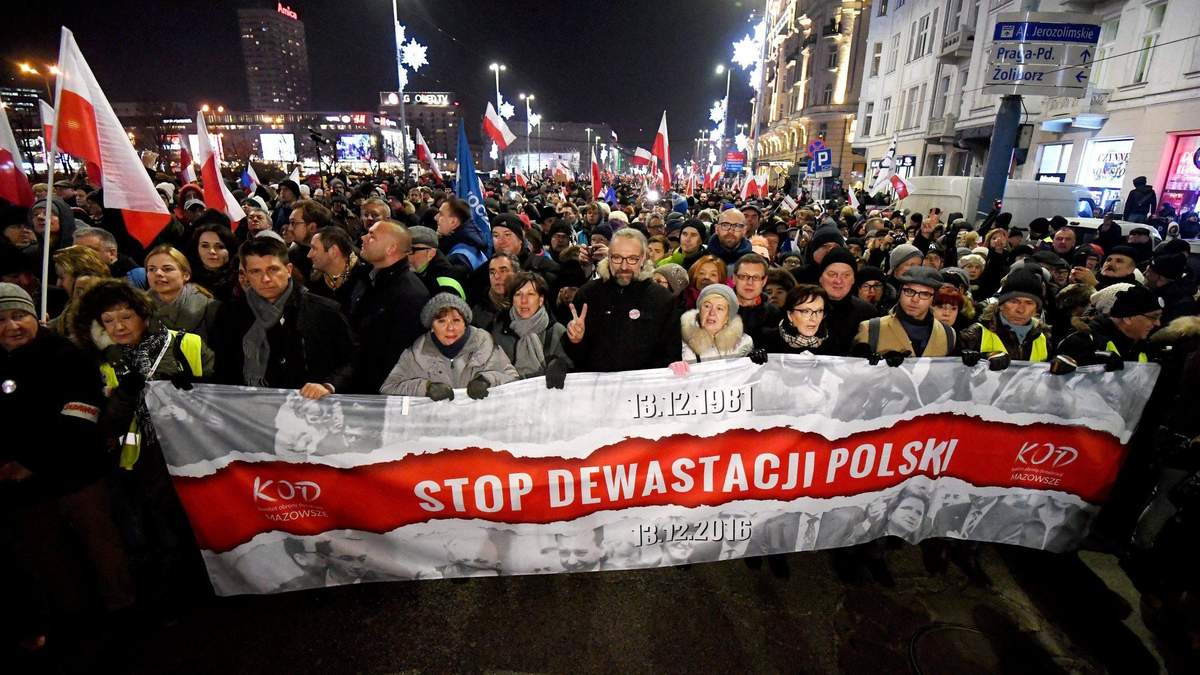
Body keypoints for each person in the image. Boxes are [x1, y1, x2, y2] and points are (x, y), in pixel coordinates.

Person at [0, 283, 135, 640]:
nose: (12, 326)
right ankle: (73, 621)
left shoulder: (65, 355)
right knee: (48, 556)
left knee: (102, 547)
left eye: (19, 315)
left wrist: (32, 461)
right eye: (1, 319)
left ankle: (124, 616)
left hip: (77, 474)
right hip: (24, 490)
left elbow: (81, 414)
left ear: (34, 316)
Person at [211, 236, 355, 397]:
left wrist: (328, 385)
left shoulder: (325, 311)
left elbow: (352, 360)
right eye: (255, 271)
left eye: (273, 269)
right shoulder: (230, 314)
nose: (265, 279)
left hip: (310, 406)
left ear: (288, 270)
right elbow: (223, 369)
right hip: (249, 406)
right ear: (245, 275)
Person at [563, 228, 681, 372]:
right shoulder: (588, 294)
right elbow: (575, 358)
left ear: (643, 258)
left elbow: (670, 353)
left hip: (643, 384)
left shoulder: (661, 298)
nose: (624, 266)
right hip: (597, 383)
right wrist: (575, 341)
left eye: (632, 259)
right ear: (608, 257)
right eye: (617, 258)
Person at [380, 292, 519, 399]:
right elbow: (388, 388)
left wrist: (487, 380)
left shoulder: (486, 346)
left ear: (465, 323)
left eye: (456, 320)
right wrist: (426, 388)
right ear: (431, 326)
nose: (450, 328)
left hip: (478, 424)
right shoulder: (416, 354)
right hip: (438, 426)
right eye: (441, 321)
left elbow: (514, 381)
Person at [347, 220, 430, 394]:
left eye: (372, 236)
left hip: (378, 395)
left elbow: (399, 357)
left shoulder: (410, 294)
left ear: (391, 248)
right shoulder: (367, 278)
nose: (363, 238)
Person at [489, 271, 572, 387]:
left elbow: (573, 369)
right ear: (512, 300)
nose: (524, 301)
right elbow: (491, 369)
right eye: (518, 294)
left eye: (530, 294)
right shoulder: (499, 331)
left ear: (541, 300)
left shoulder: (556, 331)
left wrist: (560, 364)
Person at [855, 266, 957, 358]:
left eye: (924, 294)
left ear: (933, 299)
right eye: (909, 291)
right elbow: (854, 370)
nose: (915, 299)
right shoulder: (871, 329)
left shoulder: (948, 334)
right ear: (900, 293)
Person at [1055, 284, 1162, 369]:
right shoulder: (1081, 341)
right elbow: (1057, 381)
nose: (1158, 323)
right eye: (1153, 317)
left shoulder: (1144, 346)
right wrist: (1088, 363)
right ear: (1128, 318)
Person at [960, 270, 1052, 362]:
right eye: (1014, 302)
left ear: (1036, 309)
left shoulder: (1042, 337)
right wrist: (984, 357)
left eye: (1029, 303)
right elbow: (955, 362)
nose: (1020, 310)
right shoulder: (976, 334)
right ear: (1001, 305)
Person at [144, 245, 220, 342]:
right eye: (152, 269)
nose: (158, 273)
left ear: (186, 275)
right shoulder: (139, 308)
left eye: (167, 269)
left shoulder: (210, 308)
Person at [818, 248, 880, 355]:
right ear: (820, 278)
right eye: (832, 274)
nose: (838, 281)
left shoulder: (868, 313)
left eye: (846, 275)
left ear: (854, 280)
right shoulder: (802, 309)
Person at [679, 283, 754, 363]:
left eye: (719, 308)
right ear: (699, 311)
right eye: (707, 306)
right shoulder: (681, 343)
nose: (712, 313)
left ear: (728, 317)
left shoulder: (743, 343)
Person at [759, 284, 833, 354]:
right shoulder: (766, 340)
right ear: (790, 315)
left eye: (819, 311)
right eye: (806, 311)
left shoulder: (833, 343)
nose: (813, 318)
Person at [306, 226, 363, 313]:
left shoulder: (363, 281)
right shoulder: (315, 284)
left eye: (314, 248)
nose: (309, 255)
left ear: (333, 251)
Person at [731, 253, 780, 345]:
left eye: (756, 277)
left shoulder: (774, 314)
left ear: (764, 281)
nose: (750, 282)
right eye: (744, 276)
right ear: (734, 278)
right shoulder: (719, 309)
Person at [407, 225, 467, 300]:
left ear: (431, 253)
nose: (404, 255)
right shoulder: (419, 269)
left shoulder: (445, 289)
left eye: (411, 250)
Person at [187, 223, 240, 302]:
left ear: (230, 250)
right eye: (205, 246)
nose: (212, 251)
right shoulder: (186, 278)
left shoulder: (240, 280)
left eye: (220, 247)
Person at [285, 199, 331, 281]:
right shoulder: (290, 256)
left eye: (293, 223)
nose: (289, 228)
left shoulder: (333, 256)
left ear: (312, 227)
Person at [473, 253, 518, 330]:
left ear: (516, 274)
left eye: (503, 271)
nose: (496, 276)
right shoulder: (478, 311)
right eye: (492, 272)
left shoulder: (526, 305)